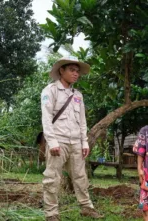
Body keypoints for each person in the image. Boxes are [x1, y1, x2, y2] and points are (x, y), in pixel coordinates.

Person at [41, 56, 103, 221]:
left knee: (81, 176)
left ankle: (86, 208)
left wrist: (84, 142)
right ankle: (51, 214)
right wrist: (52, 142)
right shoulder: (50, 90)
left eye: (77, 71)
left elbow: (82, 121)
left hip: (76, 141)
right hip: (58, 141)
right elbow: (46, 119)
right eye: (72, 70)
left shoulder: (78, 95)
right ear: (62, 70)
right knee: (52, 178)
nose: (76, 74)